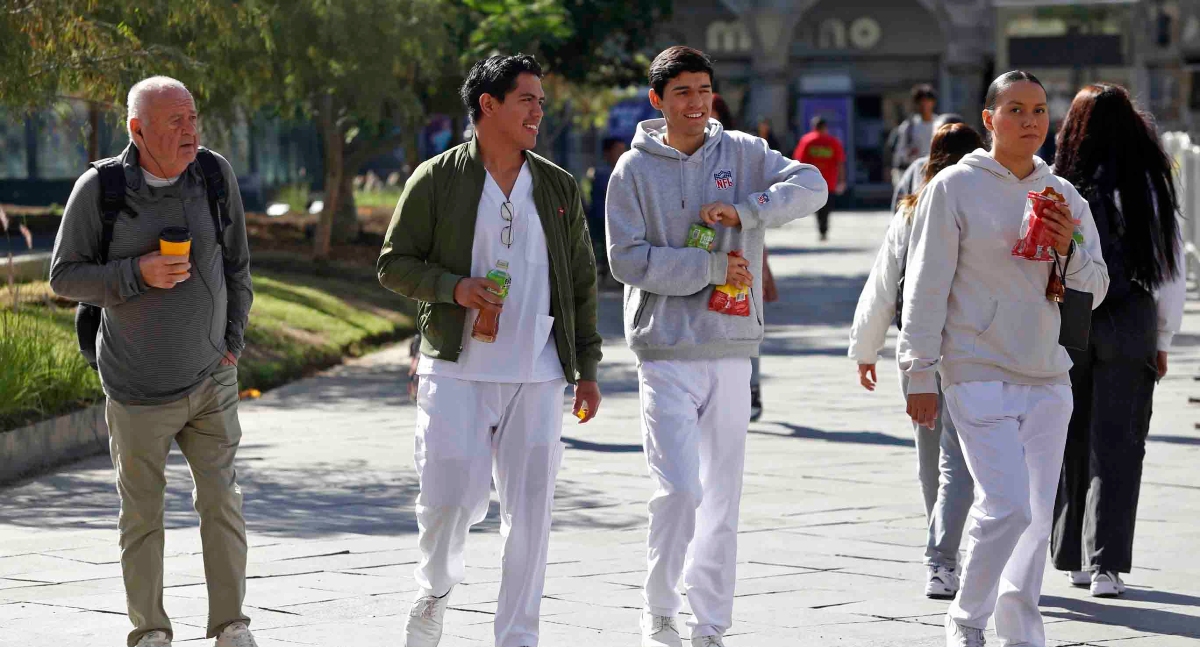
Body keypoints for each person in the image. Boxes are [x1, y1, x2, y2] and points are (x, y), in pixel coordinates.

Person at [377, 54, 603, 647]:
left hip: (539, 372)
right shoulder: (437, 178)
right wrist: (455, 289)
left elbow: (581, 280)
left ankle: (518, 636)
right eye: (526, 100)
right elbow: (393, 264)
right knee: (449, 498)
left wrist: (587, 368)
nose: (538, 111)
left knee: (531, 516)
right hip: (455, 367)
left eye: (540, 102)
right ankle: (435, 590)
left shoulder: (555, 185)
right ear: (489, 106)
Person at [605, 46, 827, 647]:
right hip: (664, 350)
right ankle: (659, 607)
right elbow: (625, 260)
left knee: (722, 500)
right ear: (658, 100)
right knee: (678, 489)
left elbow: (812, 184)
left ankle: (710, 624)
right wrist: (707, 266)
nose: (697, 103)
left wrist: (750, 210)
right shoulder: (632, 171)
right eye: (683, 92)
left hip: (731, 348)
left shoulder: (745, 154)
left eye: (704, 90)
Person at [898, 71, 1109, 647]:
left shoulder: (1064, 195)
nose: (1030, 122)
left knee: (1037, 517)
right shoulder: (954, 188)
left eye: (1040, 111)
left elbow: (1097, 285)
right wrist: (918, 371)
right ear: (989, 120)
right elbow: (925, 285)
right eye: (1015, 110)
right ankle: (967, 618)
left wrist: (1069, 246)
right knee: (1007, 505)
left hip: (1047, 373)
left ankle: (1020, 630)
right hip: (974, 368)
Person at [49, 76, 256, 647]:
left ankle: (231, 625)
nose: (190, 130)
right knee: (142, 516)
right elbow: (63, 277)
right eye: (175, 121)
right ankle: (150, 631)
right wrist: (135, 274)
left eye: (193, 117)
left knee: (222, 501)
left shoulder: (213, 175)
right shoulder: (101, 190)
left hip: (212, 375)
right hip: (136, 387)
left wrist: (232, 340)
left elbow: (238, 266)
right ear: (138, 130)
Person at [1050, 84, 1186, 598]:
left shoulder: (1061, 183)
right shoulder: (1148, 184)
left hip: (1074, 315)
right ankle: (1106, 565)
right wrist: (1164, 337)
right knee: (1122, 441)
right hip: (1131, 313)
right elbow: (1170, 269)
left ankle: (1071, 558)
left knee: (1070, 433)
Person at [849, 122, 984, 601]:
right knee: (970, 461)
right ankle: (956, 553)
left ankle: (943, 559)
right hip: (976, 350)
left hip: (919, 353)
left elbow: (883, 285)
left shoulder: (911, 210)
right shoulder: (985, 205)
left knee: (933, 461)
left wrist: (867, 350)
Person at [890, 113, 965, 212]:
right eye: (935, 136)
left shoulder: (971, 169)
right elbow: (899, 206)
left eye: (947, 137)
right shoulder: (918, 167)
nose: (938, 142)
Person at [793, 116, 846, 241]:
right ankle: (824, 227)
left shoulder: (806, 141)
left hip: (812, 180)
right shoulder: (833, 141)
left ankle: (821, 226)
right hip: (829, 181)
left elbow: (799, 161)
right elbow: (840, 162)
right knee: (827, 206)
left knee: (817, 206)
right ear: (825, 127)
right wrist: (842, 180)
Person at [590, 136, 628, 286]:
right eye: (617, 150)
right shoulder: (602, 173)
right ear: (607, 153)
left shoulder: (626, 170)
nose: (622, 153)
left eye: (622, 150)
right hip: (603, 220)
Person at [892, 84, 940, 185]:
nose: (924, 104)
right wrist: (909, 153)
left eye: (927, 101)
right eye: (920, 101)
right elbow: (899, 153)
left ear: (933, 102)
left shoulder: (940, 124)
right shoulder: (909, 126)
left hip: (936, 175)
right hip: (915, 178)